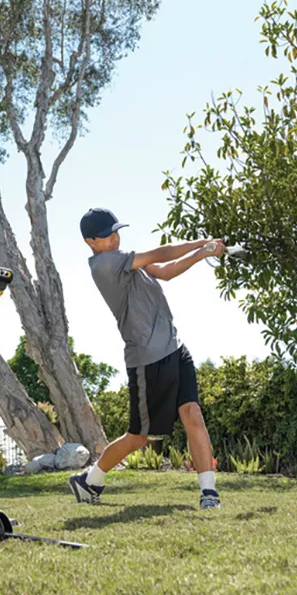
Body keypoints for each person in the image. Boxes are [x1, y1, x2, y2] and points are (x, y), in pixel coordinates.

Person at [69, 207, 224, 510]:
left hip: (175, 348)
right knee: (138, 437)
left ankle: (209, 493)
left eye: (116, 232)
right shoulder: (104, 264)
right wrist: (201, 244)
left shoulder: (127, 259)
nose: (115, 239)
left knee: (193, 413)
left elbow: (166, 270)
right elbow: (161, 253)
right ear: (90, 242)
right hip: (146, 359)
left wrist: (202, 254)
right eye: (107, 236)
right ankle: (89, 481)